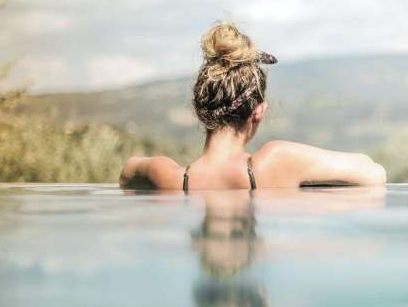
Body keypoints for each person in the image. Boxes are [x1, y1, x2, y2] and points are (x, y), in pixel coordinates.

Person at [120, 22, 386, 190]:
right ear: (259, 111)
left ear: (200, 108)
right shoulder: (275, 160)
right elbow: (374, 173)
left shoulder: (169, 177)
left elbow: (128, 171)